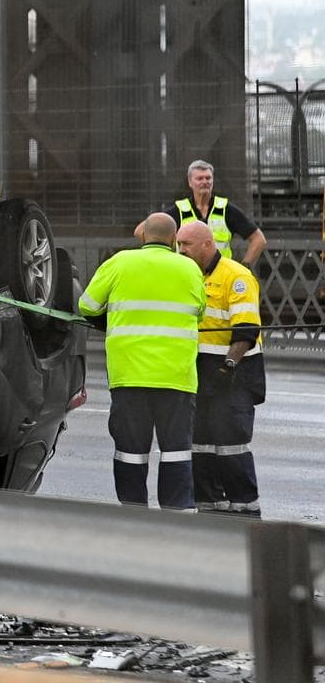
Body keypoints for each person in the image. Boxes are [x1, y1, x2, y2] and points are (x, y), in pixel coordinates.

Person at [79, 212, 205, 511]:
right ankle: (177, 513)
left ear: (143, 236)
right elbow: (199, 311)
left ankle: (134, 511)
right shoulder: (189, 268)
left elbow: (87, 305)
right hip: (176, 377)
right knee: (176, 452)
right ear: (174, 240)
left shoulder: (120, 262)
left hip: (129, 376)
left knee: (131, 452)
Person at [176, 222, 265, 517]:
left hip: (234, 371)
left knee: (231, 447)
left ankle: (245, 511)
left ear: (206, 244)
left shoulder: (236, 276)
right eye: (178, 244)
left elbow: (246, 332)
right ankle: (210, 509)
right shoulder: (187, 276)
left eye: (186, 244)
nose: (181, 250)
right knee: (200, 446)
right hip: (201, 370)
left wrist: (227, 367)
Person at [134, 159, 267, 267]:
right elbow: (140, 230)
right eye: (200, 179)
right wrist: (168, 256)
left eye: (208, 178)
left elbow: (258, 239)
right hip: (186, 275)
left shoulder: (226, 209)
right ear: (190, 182)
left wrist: (244, 268)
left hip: (220, 278)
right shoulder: (179, 210)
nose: (205, 182)